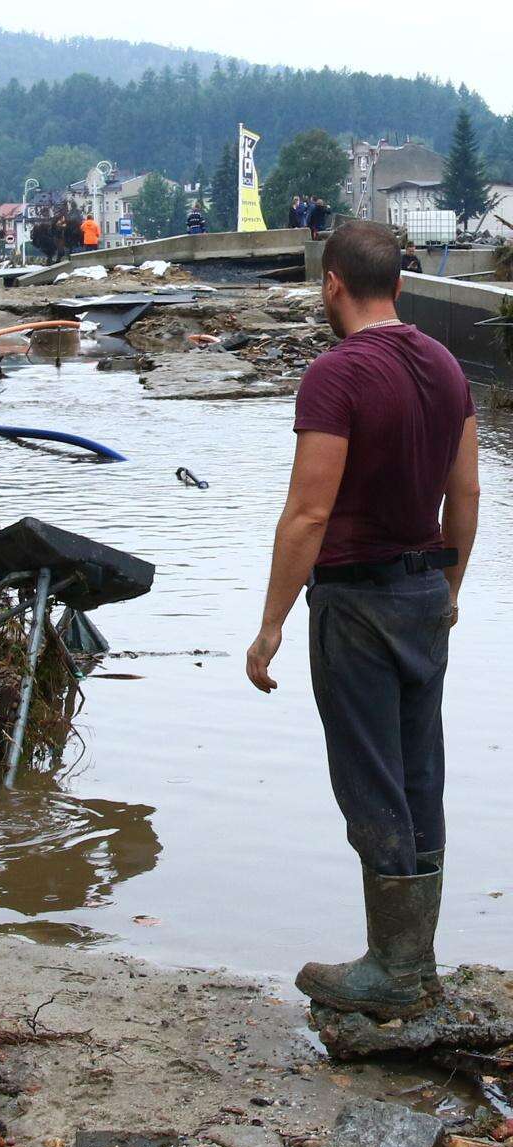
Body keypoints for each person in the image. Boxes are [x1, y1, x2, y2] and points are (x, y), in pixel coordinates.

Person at [246, 220, 478, 1020]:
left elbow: (309, 511)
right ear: (402, 285)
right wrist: (451, 584)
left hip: (355, 602)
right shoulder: (446, 366)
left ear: (332, 282)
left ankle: (392, 967)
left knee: (371, 776)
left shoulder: (336, 376)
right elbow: (468, 493)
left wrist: (271, 623)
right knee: (421, 770)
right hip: (423, 593)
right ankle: (417, 960)